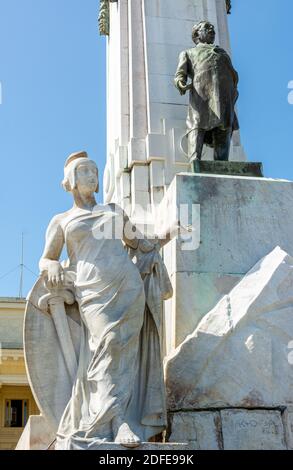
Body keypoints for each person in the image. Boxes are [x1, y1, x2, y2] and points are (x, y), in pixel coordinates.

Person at [39, 151, 173, 450]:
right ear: (71, 180)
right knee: (107, 345)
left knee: (125, 353)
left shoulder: (114, 211)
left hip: (128, 287)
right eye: (85, 171)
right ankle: (112, 419)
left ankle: (120, 420)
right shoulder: (63, 221)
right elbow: (47, 257)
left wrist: (168, 235)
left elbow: (140, 242)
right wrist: (51, 266)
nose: (92, 176)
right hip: (93, 291)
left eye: (95, 171)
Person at [174, 21, 239, 166]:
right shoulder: (188, 53)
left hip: (223, 97)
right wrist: (180, 83)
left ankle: (222, 164)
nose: (212, 30)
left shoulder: (222, 53)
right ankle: (194, 160)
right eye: (207, 28)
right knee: (197, 124)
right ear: (197, 34)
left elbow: (232, 74)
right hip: (201, 95)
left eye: (213, 28)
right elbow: (180, 74)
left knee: (224, 126)